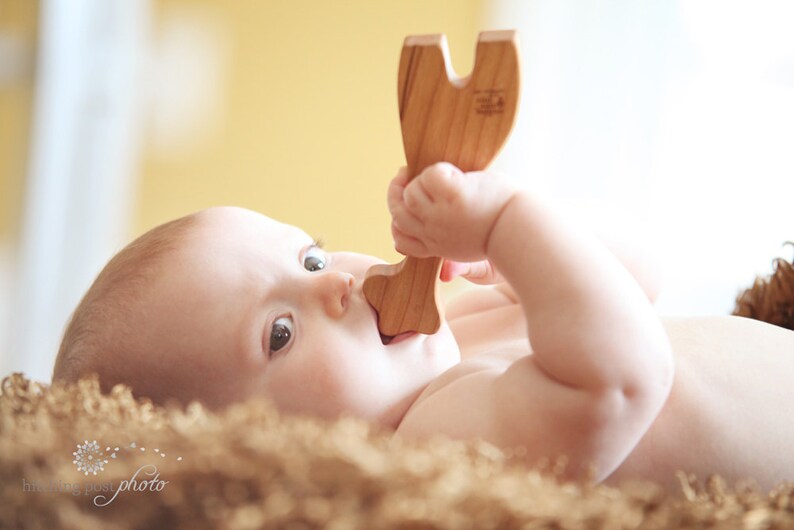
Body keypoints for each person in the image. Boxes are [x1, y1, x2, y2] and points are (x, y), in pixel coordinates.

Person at [53, 163, 794, 492]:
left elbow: (637, 276)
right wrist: (506, 223)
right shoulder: (436, 435)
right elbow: (624, 378)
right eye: (279, 332)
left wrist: (497, 255)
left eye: (308, 255)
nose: (337, 283)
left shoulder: (453, 327)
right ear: (264, 445)